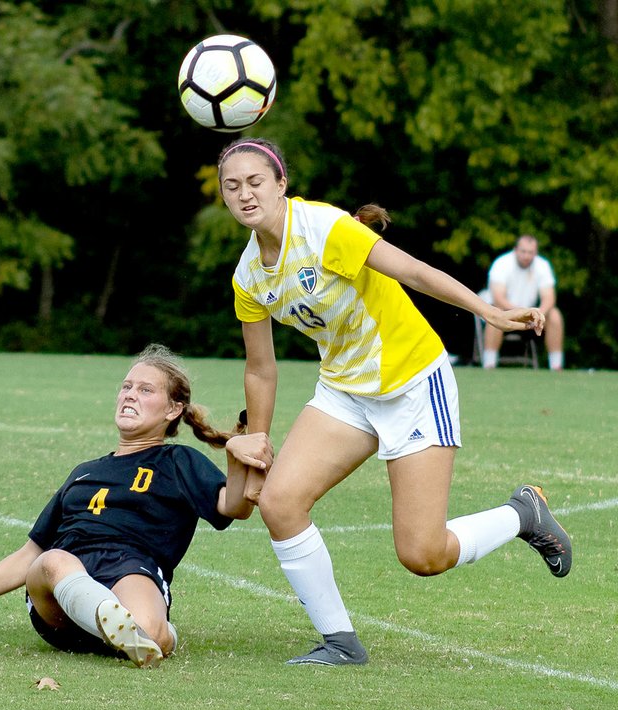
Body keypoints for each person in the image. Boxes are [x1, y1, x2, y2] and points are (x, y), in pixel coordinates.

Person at [216, 137, 572, 667]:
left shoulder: (323, 228)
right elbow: (260, 368)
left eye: (255, 181)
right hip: (344, 390)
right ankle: (340, 642)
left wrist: (488, 313)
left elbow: (412, 271)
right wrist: (260, 439)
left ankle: (523, 513)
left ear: (281, 183)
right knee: (280, 503)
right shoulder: (248, 274)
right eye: (232, 185)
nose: (245, 194)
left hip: (412, 383)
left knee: (422, 555)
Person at [0, 344, 273, 668]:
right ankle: (109, 619)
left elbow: (234, 507)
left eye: (145, 390)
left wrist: (236, 456)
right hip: (62, 587)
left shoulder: (178, 462)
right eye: (126, 387)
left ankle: (136, 629)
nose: (130, 395)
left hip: (131, 566)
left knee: (151, 635)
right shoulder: (85, 473)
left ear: (173, 409)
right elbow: (29, 555)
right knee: (52, 561)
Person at [482, 234, 565, 370]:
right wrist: (519, 313)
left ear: (535, 252)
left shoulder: (542, 265)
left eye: (530, 252)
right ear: (516, 250)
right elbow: (498, 297)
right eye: (523, 251)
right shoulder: (502, 263)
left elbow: (549, 297)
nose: (527, 256)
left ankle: (556, 366)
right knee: (496, 312)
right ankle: (489, 365)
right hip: (504, 312)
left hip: (530, 316)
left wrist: (539, 314)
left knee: (554, 315)